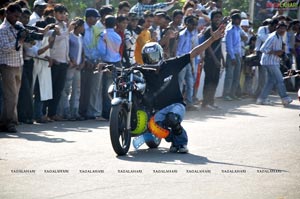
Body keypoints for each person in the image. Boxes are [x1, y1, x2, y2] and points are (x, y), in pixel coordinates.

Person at [141, 24, 224, 153]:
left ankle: (181, 143)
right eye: (149, 57)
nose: (152, 60)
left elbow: (194, 52)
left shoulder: (172, 64)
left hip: (176, 105)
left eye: (154, 56)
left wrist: (212, 39)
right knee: (152, 127)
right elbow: (125, 71)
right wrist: (108, 67)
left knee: (172, 118)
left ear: (160, 55)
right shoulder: (143, 70)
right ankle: (173, 139)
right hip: (158, 110)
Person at [256, 21, 293, 106]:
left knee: (271, 81)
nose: (283, 30)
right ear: (277, 28)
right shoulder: (273, 37)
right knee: (280, 80)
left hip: (273, 61)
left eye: (284, 28)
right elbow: (263, 49)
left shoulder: (279, 37)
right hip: (269, 62)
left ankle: (262, 99)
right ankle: (285, 98)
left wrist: (281, 54)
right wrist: (275, 52)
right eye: (281, 28)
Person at [0, 3, 24, 132]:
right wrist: (19, 41)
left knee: (14, 96)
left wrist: (26, 38)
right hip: (7, 65)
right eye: (15, 16)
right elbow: (3, 48)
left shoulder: (17, 26)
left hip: (18, 64)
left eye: (18, 16)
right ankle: (10, 122)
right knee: (11, 95)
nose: (17, 19)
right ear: (7, 13)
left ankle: (6, 121)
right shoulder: (3, 29)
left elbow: (23, 44)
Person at [60, 18, 85, 121]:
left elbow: (82, 52)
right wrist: (71, 59)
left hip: (78, 67)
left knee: (77, 90)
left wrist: (82, 62)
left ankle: (75, 111)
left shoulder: (80, 37)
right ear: (77, 26)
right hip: (70, 67)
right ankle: (66, 112)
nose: (83, 28)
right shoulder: (70, 36)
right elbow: (67, 50)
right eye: (82, 26)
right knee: (66, 89)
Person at [98, 15, 122, 119]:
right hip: (117, 62)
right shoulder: (117, 36)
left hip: (107, 62)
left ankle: (107, 113)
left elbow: (101, 50)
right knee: (116, 87)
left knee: (106, 89)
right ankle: (116, 111)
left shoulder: (103, 35)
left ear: (104, 23)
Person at [201, 10, 223, 110]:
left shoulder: (220, 30)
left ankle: (211, 101)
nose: (218, 19)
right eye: (216, 17)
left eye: (219, 17)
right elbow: (208, 47)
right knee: (208, 81)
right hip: (210, 60)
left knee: (215, 81)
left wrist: (222, 59)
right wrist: (215, 60)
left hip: (218, 60)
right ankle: (205, 103)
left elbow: (219, 45)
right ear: (212, 19)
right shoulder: (208, 30)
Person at [176, 15, 199, 111]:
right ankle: (178, 103)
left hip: (188, 60)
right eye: (192, 24)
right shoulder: (182, 35)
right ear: (187, 24)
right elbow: (178, 50)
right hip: (182, 60)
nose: (193, 26)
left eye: (195, 25)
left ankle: (189, 103)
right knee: (180, 83)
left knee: (190, 82)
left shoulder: (191, 35)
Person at [222, 13, 242, 101]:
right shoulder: (230, 30)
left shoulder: (238, 29)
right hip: (232, 55)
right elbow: (229, 45)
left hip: (238, 54)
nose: (240, 21)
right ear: (233, 20)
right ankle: (226, 94)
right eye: (238, 19)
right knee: (229, 75)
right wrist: (233, 57)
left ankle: (232, 93)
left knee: (237, 75)